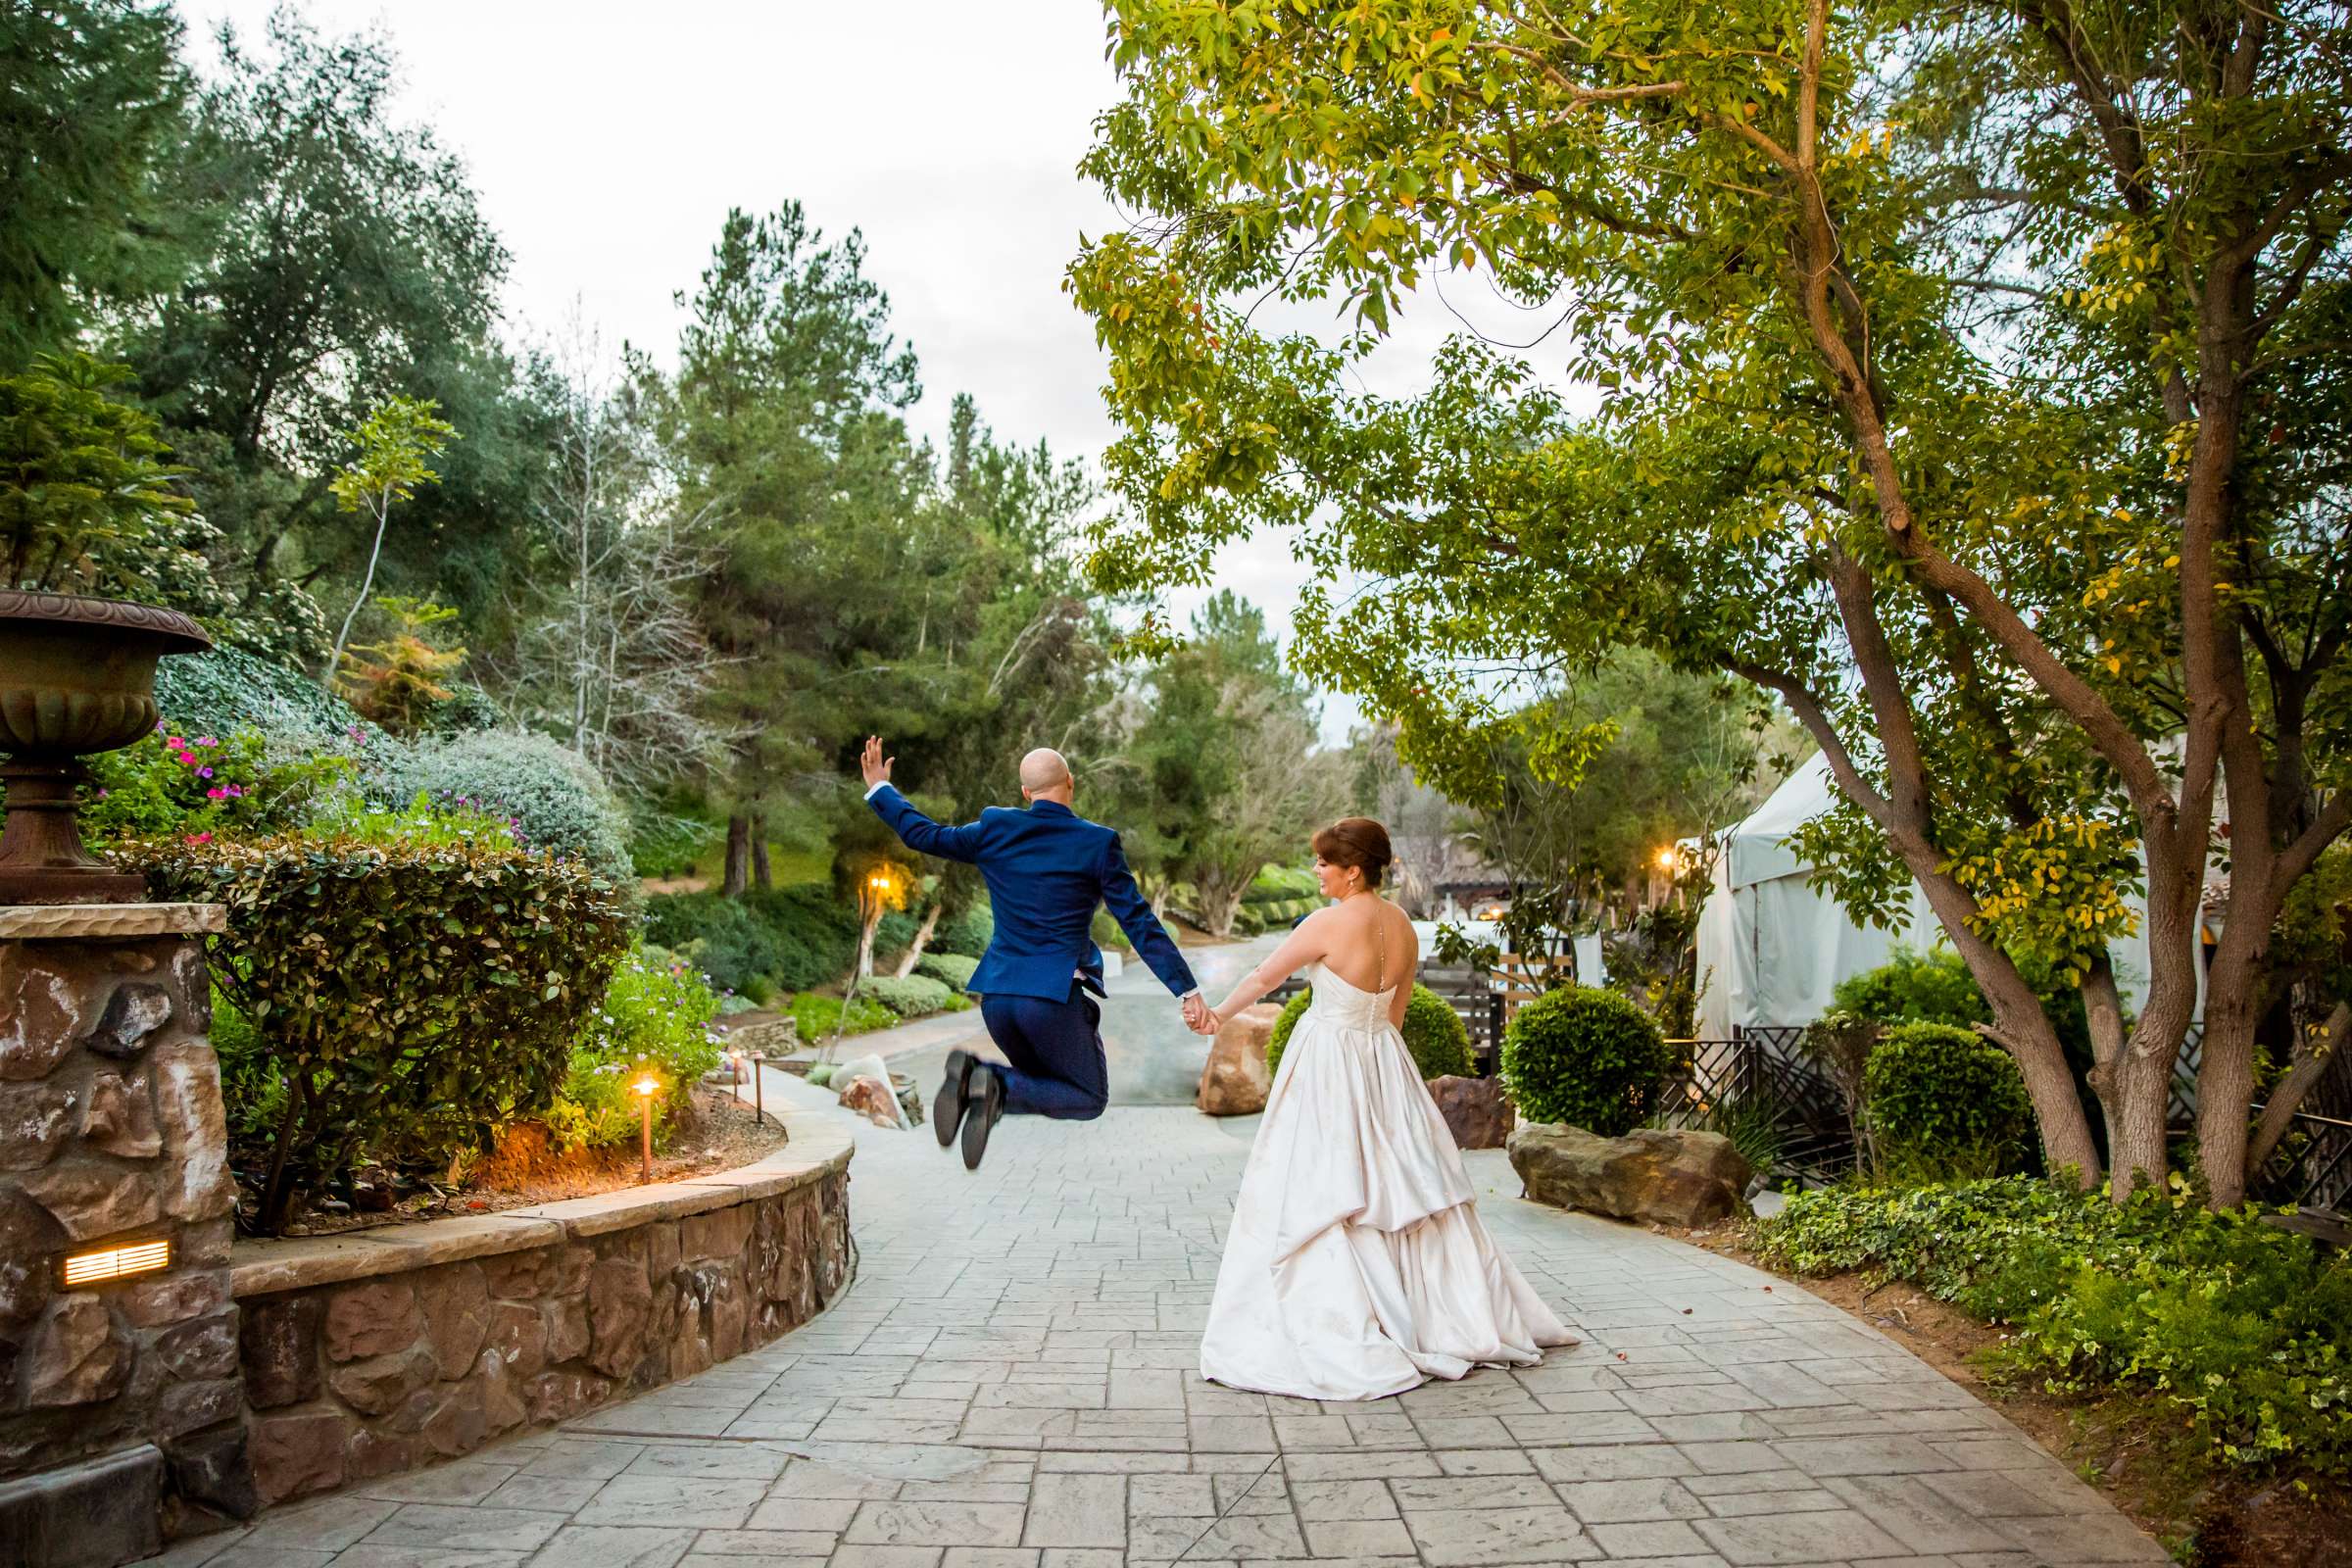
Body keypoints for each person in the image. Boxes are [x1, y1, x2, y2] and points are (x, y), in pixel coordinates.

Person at [1194, 816, 1576, 1398]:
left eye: (1325, 863)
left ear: (1353, 871)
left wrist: (1216, 1015)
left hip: (1327, 1060)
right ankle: (1437, 1313)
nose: (1317, 870)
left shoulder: (1324, 923)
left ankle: (1354, 1317)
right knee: (1401, 1182)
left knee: (1325, 1181)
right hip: (1383, 1058)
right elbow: (1394, 1014)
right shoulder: (1402, 926)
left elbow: (1264, 976)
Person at [858, 737, 1210, 1168]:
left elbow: (923, 835)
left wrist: (881, 788)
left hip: (998, 1001)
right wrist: (1185, 988)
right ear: (1071, 782)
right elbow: (1139, 922)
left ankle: (986, 1088)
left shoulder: (995, 828)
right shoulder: (1097, 844)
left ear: (1025, 792)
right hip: (1051, 1002)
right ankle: (988, 1081)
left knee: (1038, 1082)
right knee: (1086, 1097)